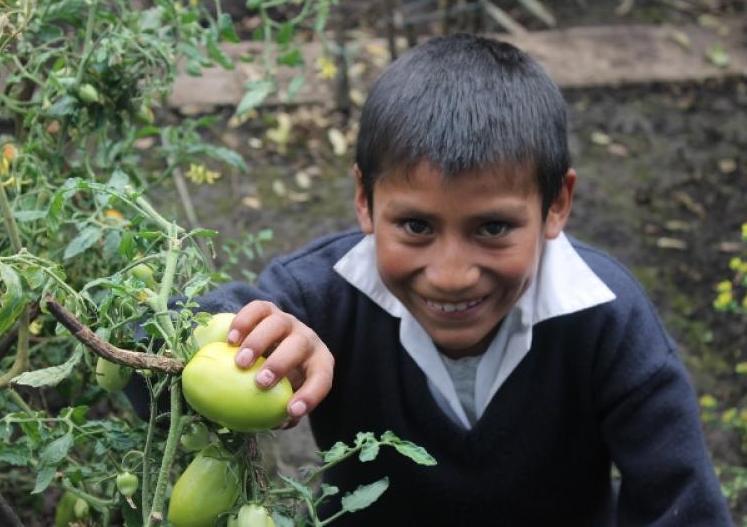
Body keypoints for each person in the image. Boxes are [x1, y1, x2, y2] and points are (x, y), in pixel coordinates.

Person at [186, 34, 731, 525]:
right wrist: (250, 337)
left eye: (492, 227)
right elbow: (151, 347)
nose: (451, 276)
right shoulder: (320, 297)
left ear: (557, 204)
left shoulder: (608, 320)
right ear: (364, 200)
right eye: (416, 226)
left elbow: (683, 506)